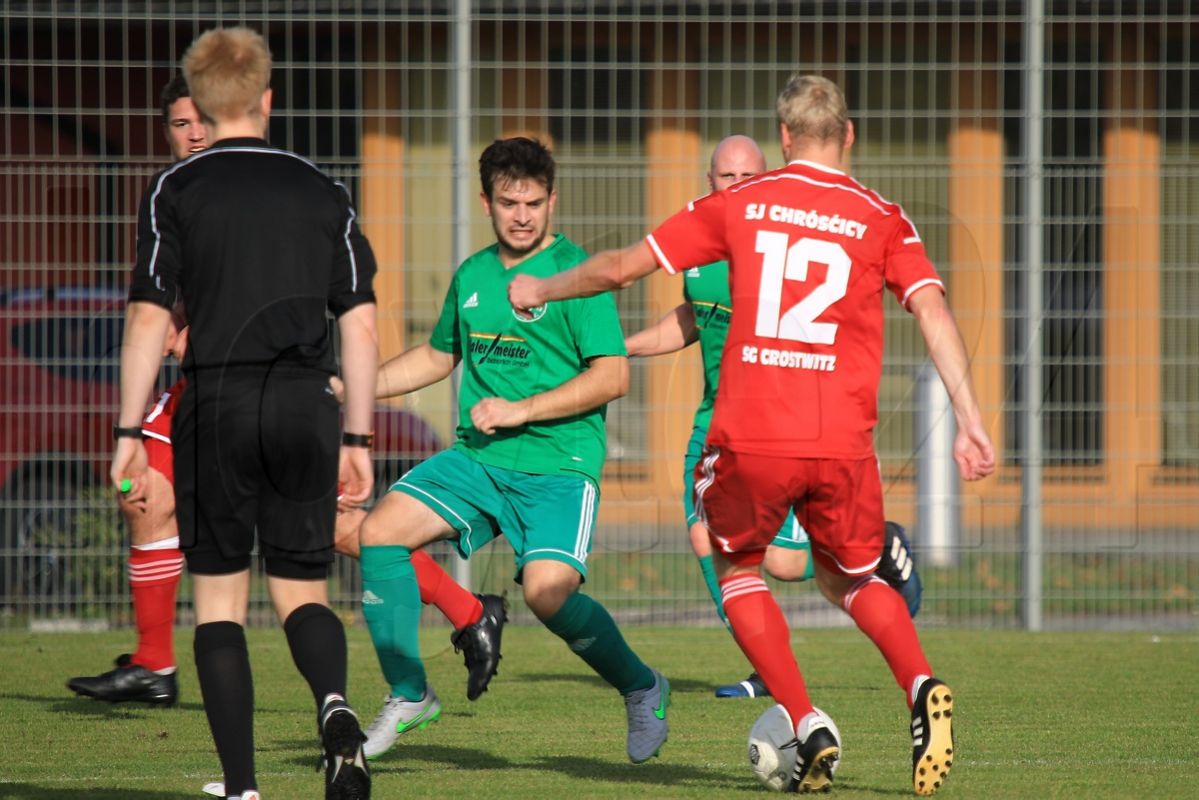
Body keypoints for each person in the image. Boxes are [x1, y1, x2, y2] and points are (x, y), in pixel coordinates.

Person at [509, 75, 995, 796]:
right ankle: (919, 682)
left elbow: (620, 267)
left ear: (785, 140)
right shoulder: (883, 217)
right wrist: (969, 418)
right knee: (850, 578)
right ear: (849, 135)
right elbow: (932, 314)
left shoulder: (737, 203)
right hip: (842, 441)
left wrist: (541, 288)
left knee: (733, 566)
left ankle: (805, 720)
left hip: (752, 434)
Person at [112, 27, 376, 800]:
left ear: (203, 102)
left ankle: (242, 788)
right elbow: (359, 321)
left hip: (218, 402)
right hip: (304, 403)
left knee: (220, 602)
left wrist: (129, 433)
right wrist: (356, 435)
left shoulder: (176, 189)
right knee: (302, 593)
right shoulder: (325, 189)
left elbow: (148, 318)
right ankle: (334, 707)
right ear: (267, 99)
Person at [354, 136, 670, 765]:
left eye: (532, 202)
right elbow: (439, 356)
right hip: (481, 459)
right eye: (507, 202)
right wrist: (354, 386)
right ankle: (410, 693)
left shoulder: (575, 276)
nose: (521, 215)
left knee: (547, 594)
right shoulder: (473, 275)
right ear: (486, 203)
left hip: (559, 464)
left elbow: (613, 376)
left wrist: (519, 409)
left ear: (552, 200)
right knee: (379, 533)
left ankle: (641, 686)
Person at [624, 134, 924, 700]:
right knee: (705, 541)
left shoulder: (770, 244)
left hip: (770, 424)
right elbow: (696, 318)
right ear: (708, 182)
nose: (735, 187)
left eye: (747, 177)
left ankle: (878, 546)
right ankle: (767, 667)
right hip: (713, 420)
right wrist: (626, 347)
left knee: (783, 565)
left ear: (768, 180)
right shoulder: (703, 248)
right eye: (725, 177)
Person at [67, 75, 205, 706]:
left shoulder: (265, 185)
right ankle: (154, 663)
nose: (195, 133)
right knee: (141, 489)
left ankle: (465, 609)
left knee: (333, 529)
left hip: (273, 381)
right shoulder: (169, 194)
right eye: (180, 123)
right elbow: (155, 301)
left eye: (203, 119)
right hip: (199, 388)